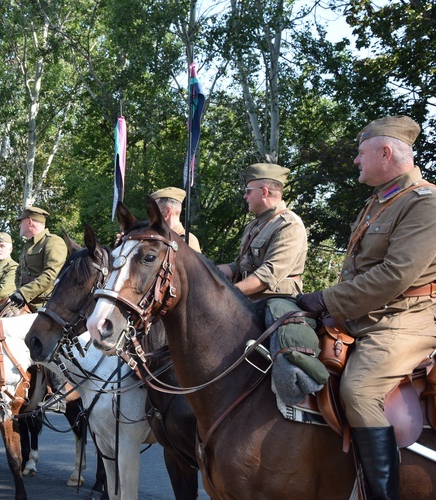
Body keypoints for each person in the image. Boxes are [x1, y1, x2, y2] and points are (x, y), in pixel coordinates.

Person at [297, 115, 436, 499]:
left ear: (386, 152)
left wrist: (325, 299)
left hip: (406, 321)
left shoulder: (425, 203)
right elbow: (358, 269)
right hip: (362, 315)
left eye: (361, 153)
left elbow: (395, 276)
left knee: (358, 390)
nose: (356, 160)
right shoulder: (380, 202)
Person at [216, 163, 308, 300]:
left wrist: (226, 294)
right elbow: (238, 267)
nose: (244, 196)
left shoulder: (289, 224)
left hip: (277, 300)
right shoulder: (253, 226)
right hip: (249, 299)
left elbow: (268, 274)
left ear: (264, 192)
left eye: (248, 191)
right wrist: (202, 270)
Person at [9, 206, 67, 313]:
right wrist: (19, 292)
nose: (19, 226)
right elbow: (19, 273)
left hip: (45, 304)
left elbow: (51, 275)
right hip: (25, 302)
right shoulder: (28, 245)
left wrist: (24, 293)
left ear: (30, 222)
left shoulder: (53, 242)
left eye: (21, 222)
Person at [150, 187, 202, 252]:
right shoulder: (154, 237)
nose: (150, 216)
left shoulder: (188, 240)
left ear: (168, 211)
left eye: (154, 211)